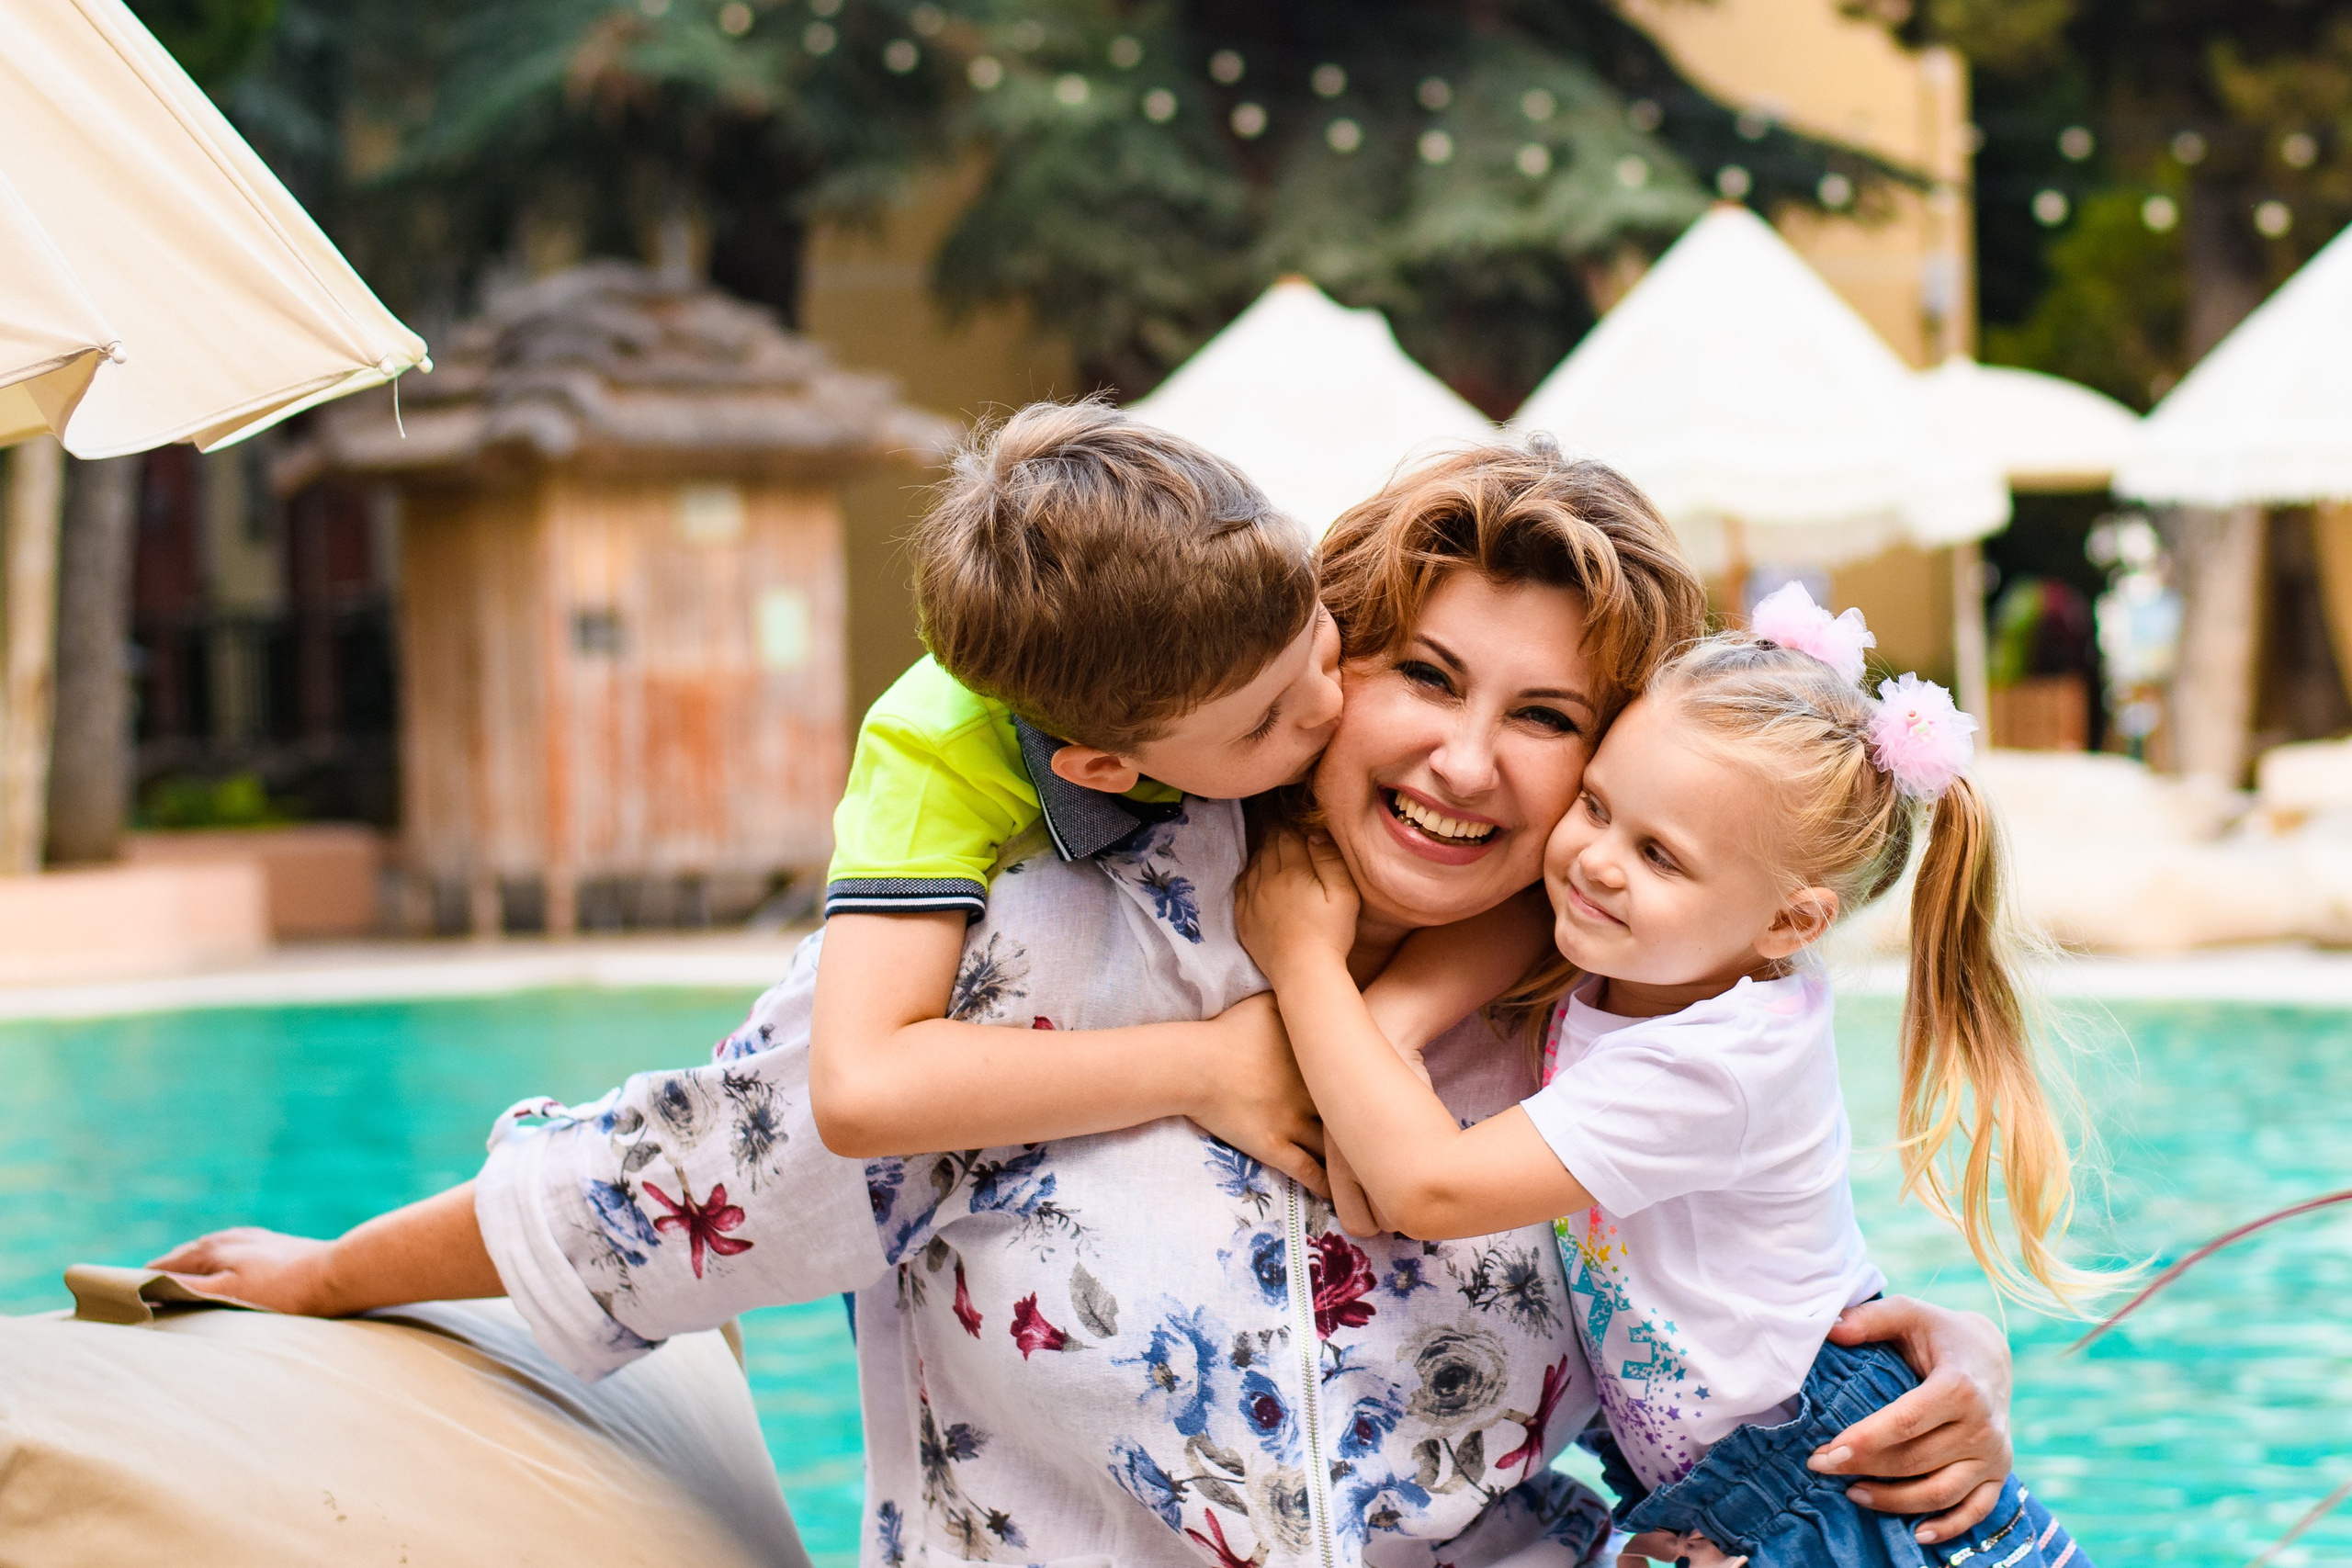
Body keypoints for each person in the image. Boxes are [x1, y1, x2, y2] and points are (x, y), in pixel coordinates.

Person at [153, 445, 2022, 1567]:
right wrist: (324, 1279)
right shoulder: (1034, 954)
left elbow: (1725, 1315)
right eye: (1424, 675)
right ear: (1324, 658)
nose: (1465, 761)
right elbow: (669, 1183)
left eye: (1544, 719)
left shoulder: (1585, 1016)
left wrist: (1942, 1369)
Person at [1237, 582, 2095, 1566]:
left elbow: (1425, 1186)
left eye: (1658, 854)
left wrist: (1303, 956)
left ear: (1790, 920)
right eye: (1596, 806)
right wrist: (1394, 1023)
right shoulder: (1666, 949)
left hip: (1837, 1490)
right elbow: (1530, 913)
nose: (1595, 862)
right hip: (1743, 1485)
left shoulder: (1715, 1062)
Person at [809, 399, 1530, 1199]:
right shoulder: (935, 753)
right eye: (1264, 723)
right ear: (1104, 769)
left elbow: (1541, 872)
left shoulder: (1250, 606)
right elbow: (859, 1090)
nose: (1327, 706)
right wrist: (1205, 1065)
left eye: (1319, 638)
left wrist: (1383, 1027)